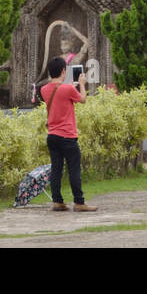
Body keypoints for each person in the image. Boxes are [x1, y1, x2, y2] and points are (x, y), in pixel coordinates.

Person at [41, 56, 97, 212]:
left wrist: (71, 87)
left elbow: (59, 95)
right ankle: (79, 202)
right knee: (74, 170)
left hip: (52, 136)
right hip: (67, 136)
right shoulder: (68, 89)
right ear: (64, 71)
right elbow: (83, 99)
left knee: (56, 170)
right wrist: (82, 85)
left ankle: (57, 201)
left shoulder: (44, 89)